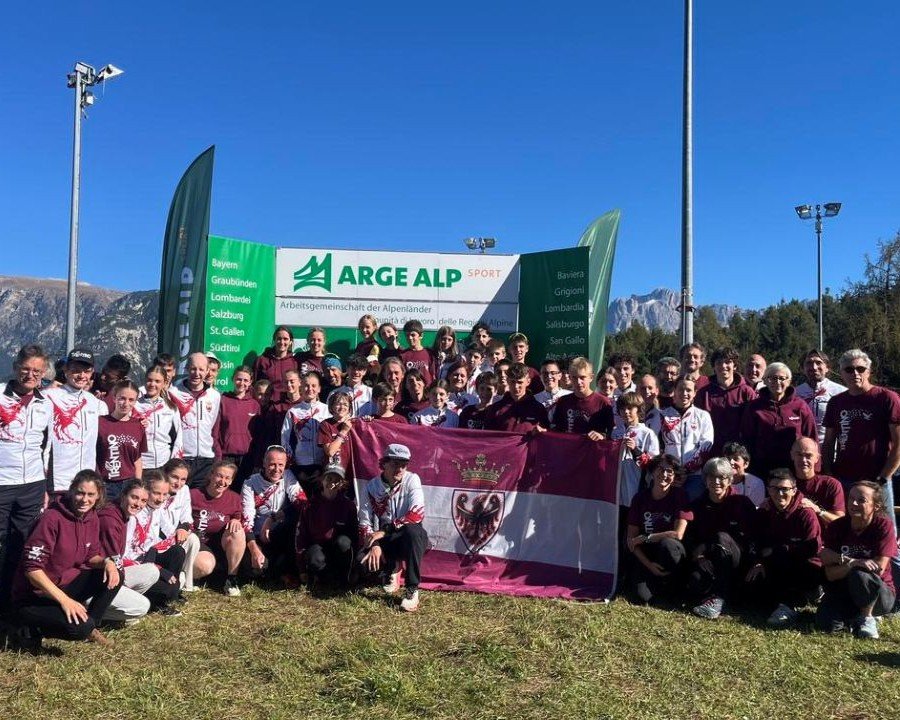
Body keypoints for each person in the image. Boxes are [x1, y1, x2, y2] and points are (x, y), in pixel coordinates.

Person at [12, 471, 120, 648]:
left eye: (90, 494)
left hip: (65, 585)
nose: (84, 499)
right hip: (36, 595)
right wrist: (65, 600)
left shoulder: (91, 517)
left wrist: (107, 562)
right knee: (78, 629)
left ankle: (91, 625)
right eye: (80, 492)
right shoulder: (51, 518)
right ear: (71, 491)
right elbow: (32, 570)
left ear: (99, 495)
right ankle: (31, 627)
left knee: (115, 574)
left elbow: (90, 556)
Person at [822, 350, 900, 536]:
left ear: (868, 371)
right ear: (841, 373)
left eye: (860, 368)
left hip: (877, 478)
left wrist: (883, 478)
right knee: (848, 530)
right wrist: (828, 473)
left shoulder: (886, 398)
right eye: (849, 369)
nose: (855, 373)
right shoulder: (836, 402)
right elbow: (828, 442)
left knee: (885, 530)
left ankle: (893, 565)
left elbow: (898, 444)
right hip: (844, 477)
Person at [0, 344, 51, 608]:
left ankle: (11, 604)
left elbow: (46, 446)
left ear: (43, 374)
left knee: (21, 545)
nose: (30, 375)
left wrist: (44, 485)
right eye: (25, 369)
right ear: (15, 368)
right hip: (2, 483)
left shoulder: (46, 403)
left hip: (32, 483)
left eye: (36, 371)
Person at [816, 481, 897, 639]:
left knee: (860, 574)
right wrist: (852, 563)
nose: (853, 503)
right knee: (827, 624)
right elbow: (829, 571)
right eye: (851, 498)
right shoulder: (837, 526)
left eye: (861, 500)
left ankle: (867, 618)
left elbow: (878, 568)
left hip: (879, 593)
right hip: (845, 590)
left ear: (876, 506)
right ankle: (854, 618)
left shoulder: (883, 527)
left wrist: (849, 566)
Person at [746, 469, 822, 628]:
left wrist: (777, 551)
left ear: (794, 490)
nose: (780, 493)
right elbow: (755, 540)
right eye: (774, 488)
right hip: (772, 562)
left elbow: (811, 548)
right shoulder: (765, 511)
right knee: (751, 593)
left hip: (805, 567)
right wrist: (758, 561)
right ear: (768, 490)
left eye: (785, 489)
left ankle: (790, 605)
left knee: (785, 563)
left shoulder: (805, 513)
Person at [358, 443, 428, 612]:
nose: (400, 469)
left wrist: (384, 531)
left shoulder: (413, 479)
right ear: (384, 464)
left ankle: (411, 589)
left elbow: (416, 514)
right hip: (384, 541)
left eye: (404, 464)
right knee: (361, 565)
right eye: (395, 464)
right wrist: (374, 545)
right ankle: (392, 567)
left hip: (407, 538)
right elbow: (364, 522)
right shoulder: (371, 486)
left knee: (413, 530)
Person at [686, 458, 757, 619]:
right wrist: (699, 555)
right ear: (705, 479)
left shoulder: (742, 503)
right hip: (709, 560)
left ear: (730, 480)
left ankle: (718, 598)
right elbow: (691, 538)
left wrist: (756, 562)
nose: (716, 482)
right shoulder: (697, 505)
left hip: (738, 560)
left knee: (721, 537)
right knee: (695, 583)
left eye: (722, 478)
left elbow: (753, 536)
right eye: (712, 477)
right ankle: (720, 597)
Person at [98, 478, 174, 620]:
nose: (138, 504)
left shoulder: (125, 516)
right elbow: (114, 558)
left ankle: (114, 608)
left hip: (117, 570)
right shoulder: (110, 519)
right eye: (134, 497)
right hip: (100, 577)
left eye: (143, 501)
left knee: (152, 572)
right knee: (142, 606)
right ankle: (93, 613)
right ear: (123, 495)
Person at [626, 454, 693, 605]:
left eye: (670, 471)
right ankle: (655, 583)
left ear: (675, 475)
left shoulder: (681, 496)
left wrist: (646, 537)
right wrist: (650, 566)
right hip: (647, 555)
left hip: (670, 550)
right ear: (652, 472)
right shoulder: (639, 498)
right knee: (643, 597)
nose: (664, 474)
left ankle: (672, 585)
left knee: (668, 545)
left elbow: (678, 534)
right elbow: (631, 541)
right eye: (660, 469)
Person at [44, 348, 110, 496]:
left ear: (92, 372)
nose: (81, 375)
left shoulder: (97, 403)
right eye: (76, 370)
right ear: (66, 370)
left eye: (86, 371)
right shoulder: (48, 397)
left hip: (87, 482)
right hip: (58, 481)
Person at [739, 362, 817, 480]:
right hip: (762, 470)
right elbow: (746, 440)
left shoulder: (800, 406)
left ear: (789, 381)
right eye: (772, 378)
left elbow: (811, 438)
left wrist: (815, 470)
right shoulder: (754, 407)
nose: (777, 382)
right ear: (764, 380)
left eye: (782, 378)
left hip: (794, 470)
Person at [241, 446, 306, 580]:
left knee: (296, 521)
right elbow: (246, 520)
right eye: (272, 464)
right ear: (264, 463)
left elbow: (301, 502)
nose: (277, 470)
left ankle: (288, 570)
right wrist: (254, 549)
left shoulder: (287, 475)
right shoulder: (250, 483)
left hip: (280, 530)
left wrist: (272, 518)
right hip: (258, 535)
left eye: (281, 464)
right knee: (257, 569)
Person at [647, 377, 714, 500]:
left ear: (695, 393)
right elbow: (653, 445)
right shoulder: (661, 415)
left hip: (694, 476)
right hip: (666, 474)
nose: (684, 393)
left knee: (689, 513)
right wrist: (670, 470)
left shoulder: (703, 416)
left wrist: (686, 470)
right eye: (681, 389)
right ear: (674, 391)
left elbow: (706, 445)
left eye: (688, 390)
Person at [295, 464, 358, 588]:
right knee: (315, 558)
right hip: (318, 548)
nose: (333, 483)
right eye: (329, 479)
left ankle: (343, 577)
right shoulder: (309, 506)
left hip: (338, 549)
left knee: (344, 542)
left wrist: (354, 564)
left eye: (337, 481)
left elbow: (354, 535)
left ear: (342, 484)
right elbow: (300, 536)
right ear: (321, 480)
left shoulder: (348, 505)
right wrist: (301, 569)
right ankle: (321, 577)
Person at [167, 352, 222, 489]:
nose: (196, 373)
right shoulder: (173, 393)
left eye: (201, 369)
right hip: (182, 458)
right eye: (193, 368)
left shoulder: (214, 396)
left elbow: (212, 426)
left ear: (207, 371)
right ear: (186, 368)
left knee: (198, 504)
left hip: (206, 460)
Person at [191, 461, 245, 596]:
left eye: (227, 478)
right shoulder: (193, 495)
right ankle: (193, 576)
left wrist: (235, 520)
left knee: (237, 530)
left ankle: (231, 579)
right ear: (211, 475)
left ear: (232, 481)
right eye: (219, 476)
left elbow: (238, 516)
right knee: (204, 566)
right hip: (199, 544)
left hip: (221, 544)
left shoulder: (234, 498)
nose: (222, 481)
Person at [694, 346, 757, 456]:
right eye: (719, 362)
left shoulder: (746, 392)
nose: (723, 366)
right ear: (714, 366)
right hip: (711, 453)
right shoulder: (703, 393)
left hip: (739, 454)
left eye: (728, 362)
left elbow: (754, 425)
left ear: (735, 366)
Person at [97, 380, 148, 500]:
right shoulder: (100, 422)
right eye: (122, 398)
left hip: (129, 483)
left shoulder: (138, 425)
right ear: (114, 398)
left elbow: (137, 458)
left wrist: (138, 483)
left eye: (131, 400)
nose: (126, 403)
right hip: (105, 483)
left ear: (135, 402)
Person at [214, 365, 261, 487]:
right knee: (224, 490)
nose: (242, 383)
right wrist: (219, 455)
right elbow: (215, 431)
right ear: (233, 379)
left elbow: (258, 435)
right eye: (239, 379)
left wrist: (255, 458)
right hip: (226, 457)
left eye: (245, 380)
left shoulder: (254, 404)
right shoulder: (223, 400)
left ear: (250, 382)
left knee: (243, 492)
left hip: (247, 458)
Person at [611, 392, 659, 510]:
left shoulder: (647, 433)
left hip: (636, 486)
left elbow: (654, 465)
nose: (626, 412)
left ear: (638, 409)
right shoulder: (615, 432)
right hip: (616, 489)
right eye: (622, 409)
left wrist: (636, 450)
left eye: (629, 408)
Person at [159, 458, 200, 592]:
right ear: (165, 474)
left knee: (193, 539)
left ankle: (187, 584)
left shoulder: (185, 490)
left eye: (183, 479)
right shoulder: (155, 489)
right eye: (174, 477)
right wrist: (173, 534)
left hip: (174, 536)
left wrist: (183, 528)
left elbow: (187, 517)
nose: (179, 483)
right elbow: (157, 520)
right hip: (157, 539)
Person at [281, 371, 330, 481]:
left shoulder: (327, 410)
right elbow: (285, 441)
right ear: (301, 388)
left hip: (323, 464)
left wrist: (325, 466)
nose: (310, 389)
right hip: (301, 465)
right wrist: (295, 468)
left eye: (314, 386)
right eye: (306, 386)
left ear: (319, 389)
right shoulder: (293, 412)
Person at [549, 357, 613, 438]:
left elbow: (612, 434)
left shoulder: (603, 402)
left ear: (591, 377)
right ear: (570, 378)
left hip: (594, 449)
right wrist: (543, 432)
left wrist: (602, 436)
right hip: (569, 449)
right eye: (574, 378)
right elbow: (556, 431)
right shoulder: (563, 401)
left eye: (582, 377)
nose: (579, 382)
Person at [134, 365, 183, 471]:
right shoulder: (135, 405)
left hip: (163, 464)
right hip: (140, 465)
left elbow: (178, 438)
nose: (152, 384)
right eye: (149, 380)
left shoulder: (170, 408)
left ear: (165, 383)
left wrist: (173, 464)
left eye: (157, 381)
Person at [790, 437, 845, 529]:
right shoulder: (785, 483)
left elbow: (840, 522)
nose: (803, 460)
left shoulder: (830, 484)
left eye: (808, 455)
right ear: (792, 455)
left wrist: (818, 511)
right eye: (799, 454)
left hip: (823, 540)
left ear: (817, 458)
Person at [794, 349, 846, 444]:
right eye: (809, 363)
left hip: (831, 450)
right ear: (802, 368)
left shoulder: (841, 392)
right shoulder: (794, 394)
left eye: (818, 363)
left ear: (827, 367)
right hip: (803, 452)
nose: (814, 367)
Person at [484, 363, 548, 433]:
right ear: (508, 381)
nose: (516, 386)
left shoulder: (538, 408)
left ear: (528, 382)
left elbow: (548, 435)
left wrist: (543, 431)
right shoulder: (495, 409)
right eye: (512, 382)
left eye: (520, 382)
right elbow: (488, 438)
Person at [253, 326, 299, 397]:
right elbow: (253, 384)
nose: (282, 342)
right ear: (274, 340)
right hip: (267, 405)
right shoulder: (262, 360)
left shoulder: (295, 361)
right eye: (279, 339)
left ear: (290, 342)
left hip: (289, 404)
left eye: (285, 339)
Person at [318, 389, 355, 469]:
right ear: (331, 406)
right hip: (333, 471)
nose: (342, 407)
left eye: (345, 404)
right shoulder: (325, 425)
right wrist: (344, 431)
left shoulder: (354, 423)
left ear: (349, 408)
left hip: (352, 470)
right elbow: (330, 452)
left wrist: (368, 420)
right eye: (338, 404)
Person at [721, 442, 766, 507]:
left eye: (736, 459)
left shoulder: (756, 483)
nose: (731, 462)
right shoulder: (718, 481)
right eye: (728, 459)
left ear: (746, 464)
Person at [401, 320, 437, 384]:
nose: (410, 338)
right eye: (407, 335)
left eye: (413, 335)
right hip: (410, 392)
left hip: (427, 391)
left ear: (421, 335)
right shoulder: (402, 355)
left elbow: (433, 375)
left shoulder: (429, 353)